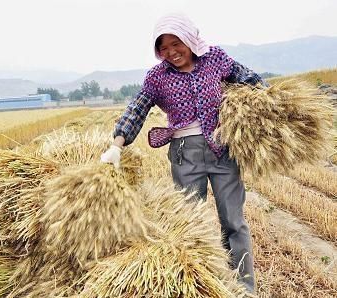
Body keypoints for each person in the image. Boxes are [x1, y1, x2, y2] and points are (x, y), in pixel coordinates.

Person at [100, 13, 267, 293]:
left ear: (190, 39)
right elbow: (137, 108)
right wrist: (117, 144)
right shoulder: (157, 77)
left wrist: (273, 106)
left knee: (234, 222)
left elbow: (251, 80)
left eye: (176, 43)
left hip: (223, 149)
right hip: (184, 155)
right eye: (163, 48)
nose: (171, 52)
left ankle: (244, 289)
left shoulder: (215, 59)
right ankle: (203, 287)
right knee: (191, 225)